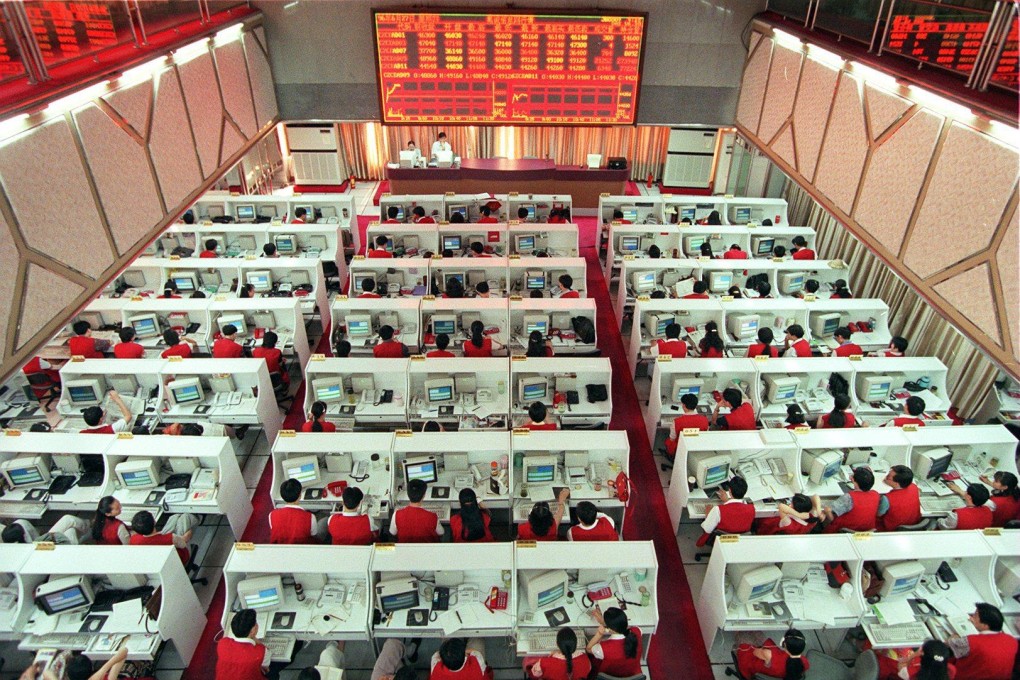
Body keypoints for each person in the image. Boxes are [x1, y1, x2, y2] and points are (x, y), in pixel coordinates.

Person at [945, 603, 1017, 680]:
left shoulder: (971, 642)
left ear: (985, 625)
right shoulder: (1011, 640)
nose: (970, 618)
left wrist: (954, 637)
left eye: (975, 616)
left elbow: (947, 645)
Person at [819, 466, 879, 532]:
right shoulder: (876, 495)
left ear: (853, 480)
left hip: (841, 531)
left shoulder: (849, 498)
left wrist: (826, 510)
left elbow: (830, 512)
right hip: (863, 531)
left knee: (825, 510)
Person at [587, 606, 642, 676]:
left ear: (609, 628)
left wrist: (599, 634)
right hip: (633, 672)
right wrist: (606, 624)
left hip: (611, 674)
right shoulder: (637, 631)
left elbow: (588, 649)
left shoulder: (604, 648)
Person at [698, 476, 753, 544]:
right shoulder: (751, 509)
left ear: (729, 491)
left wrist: (708, 515)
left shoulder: (718, 510)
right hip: (739, 541)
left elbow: (707, 529)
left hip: (721, 541)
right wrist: (727, 501)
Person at [129, 510, 197, 565]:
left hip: (158, 562)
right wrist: (189, 533)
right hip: (178, 560)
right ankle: (191, 516)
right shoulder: (169, 538)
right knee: (185, 518)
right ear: (154, 522)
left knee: (174, 518)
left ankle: (178, 516)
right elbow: (183, 543)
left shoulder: (133, 539)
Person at [215, 609, 268, 680]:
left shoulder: (222, 643)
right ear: (253, 630)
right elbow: (266, 666)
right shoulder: (261, 652)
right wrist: (254, 638)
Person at [735, 629, 809, 679]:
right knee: (757, 633)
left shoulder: (769, 654)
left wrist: (764, 650)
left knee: (742, 634)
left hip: (751, 665)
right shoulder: (805, 662)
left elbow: (755, 651)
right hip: (772, 670)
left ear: (783, 643)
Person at [524, 626, 592, 680]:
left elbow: (534, 675)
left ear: (557, 644)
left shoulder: (544, 663)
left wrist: (552, 656)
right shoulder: (585, 660)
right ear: (576, 644)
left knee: (528, 660)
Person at [269, 479, 324, 544]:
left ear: (282, 495)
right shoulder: (310, 517)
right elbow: (314, 535)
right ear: (300, 495)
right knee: (324, 521)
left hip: (282, 550)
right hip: (305, 549)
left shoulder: (271, 515)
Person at [391, 478, 443, 542]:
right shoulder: (433, 517)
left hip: (405, 550)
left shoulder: (396, 515)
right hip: (428, 550)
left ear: (408, 494)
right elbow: (441, 533)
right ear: (424, 495)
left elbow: (393, 533)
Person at [664, 392, 709, 459]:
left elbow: (672, 438)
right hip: (695, 446)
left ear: (684, 405)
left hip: (680, 447)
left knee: (668, 439)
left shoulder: (677, 421)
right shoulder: (705, 419)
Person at [876, 465, 922, 532]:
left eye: (888, 477)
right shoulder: (914, 487)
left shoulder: (887, 499)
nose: (886, 477)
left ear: (897, 484)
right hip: (912, 524)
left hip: (891, 529)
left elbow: (878, 514)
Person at [2, 514, 90, 545]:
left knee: (71, 530)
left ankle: (89, 527)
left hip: (41, 544)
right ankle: (91, 525)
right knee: (69, 520)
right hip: (47, 550)